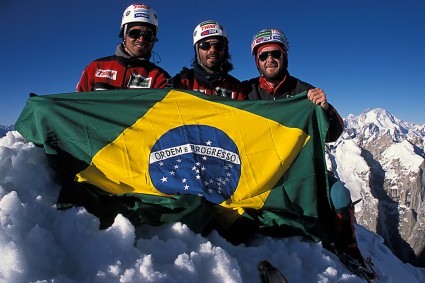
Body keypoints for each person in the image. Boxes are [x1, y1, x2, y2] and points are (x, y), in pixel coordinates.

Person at [243, 28, 370, 269]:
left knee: (340, 194)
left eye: (275, 54)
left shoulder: (305, 92)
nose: (270, 59)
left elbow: (332, 134)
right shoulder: (245, 92)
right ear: (256, 61)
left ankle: (348, 245)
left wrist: (325, 108)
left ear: (285, 57)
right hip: (260, 170)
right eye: (263, 55)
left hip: (300, 169)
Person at [77, 3, 172, 92]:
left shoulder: (160, 77)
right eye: (134, 33)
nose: (141, 39)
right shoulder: (96, 68)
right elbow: (77, 104)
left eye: (148, 35)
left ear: (154, 39)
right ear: (124, 35)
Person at [173, 20, 245, 100]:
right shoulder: (181, 83)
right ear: (197, 50)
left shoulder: (237, 87)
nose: (212, 50)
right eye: (205, 45)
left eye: (219, 46)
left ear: (225, 50)